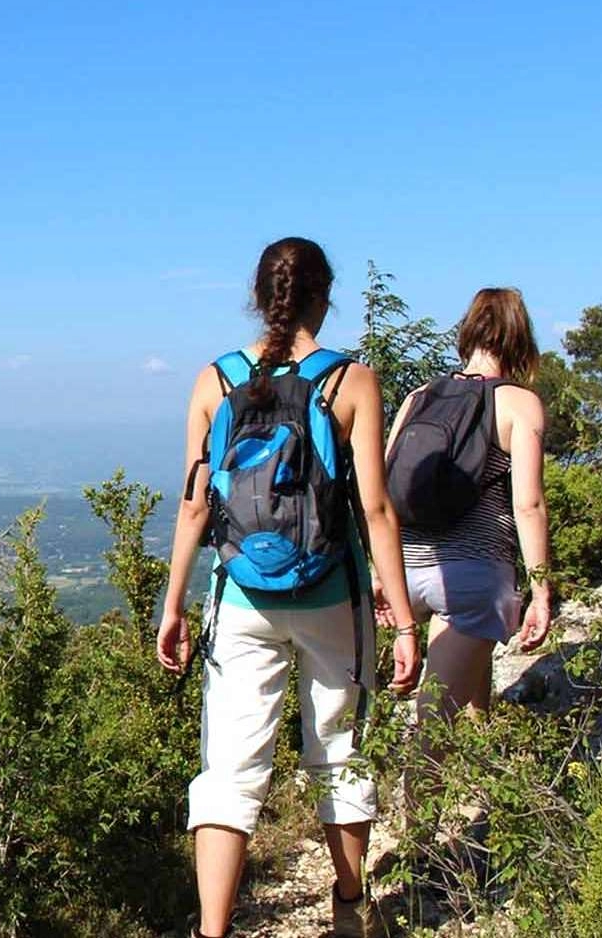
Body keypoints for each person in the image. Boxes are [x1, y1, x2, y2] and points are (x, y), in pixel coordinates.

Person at [157, 236, 421, 938]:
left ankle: (212, 930)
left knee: (229, 769)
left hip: (240, 595)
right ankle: (347, 905)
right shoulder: (350, 381)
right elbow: (375, 509)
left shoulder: (215, 380)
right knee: (336, 750)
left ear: (259, 294)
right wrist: (402, 618)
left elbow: (193, 503)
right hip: (331, 594)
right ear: (323, 297)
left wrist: (173, 603)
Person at [384, 288, 554, 728]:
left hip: (407, 571)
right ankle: (422, 797)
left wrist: (379, 574)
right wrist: (540, 592)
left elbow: (382, 493)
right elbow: (529, 504)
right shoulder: (519, 403)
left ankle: (477, 781)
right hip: (473, 578)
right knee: (431, 726)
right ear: (520, 338)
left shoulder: (419, 397)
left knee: (469, 706)